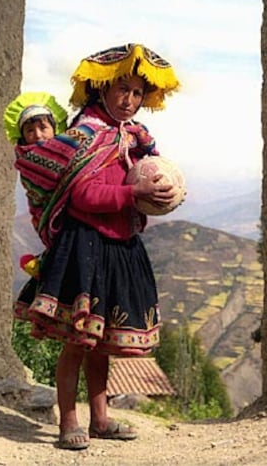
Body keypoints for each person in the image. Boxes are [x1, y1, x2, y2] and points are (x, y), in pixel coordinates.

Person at [14, 43, 180, 451]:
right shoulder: (84, 136)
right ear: (100, 89)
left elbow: (147, 174)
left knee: (101, 343)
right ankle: (69, 422)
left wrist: (163, 188)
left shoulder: (133, 138)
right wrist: (133, 191)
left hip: (119, 246)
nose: (130, 100)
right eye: (122, 89)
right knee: (77, 341)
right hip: (85, 247)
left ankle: (101, 419)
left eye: (138, 93)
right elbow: (84, 196)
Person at [3, 91, 68, 319]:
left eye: (43, 127)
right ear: (22, 137)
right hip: (52, 220)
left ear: (55, 128)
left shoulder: (67, 150)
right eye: (30, 131)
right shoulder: (29, 160)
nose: (37, 135)